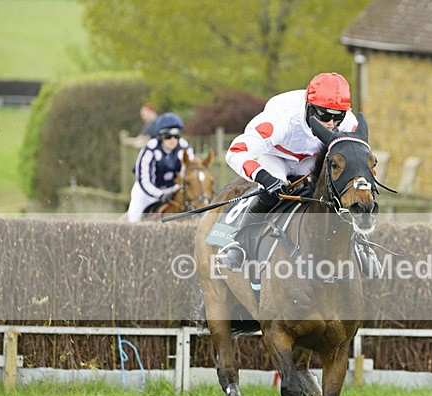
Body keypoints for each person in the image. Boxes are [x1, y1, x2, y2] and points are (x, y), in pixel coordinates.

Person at [219, 72, 359, 267]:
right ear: (309, 107)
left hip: (310, 159)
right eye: (324, 115)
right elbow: (235, 151)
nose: (331, 123)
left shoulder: (349, 123)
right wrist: (265, 178)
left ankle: (359, 246)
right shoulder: (282, 119)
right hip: (274, 156)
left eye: (338, 117)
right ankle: (236, 242)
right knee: (274, 189)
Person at [126, 112, 195, 222]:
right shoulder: (150, 150)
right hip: (146, 194)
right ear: (160, 136)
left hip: (172, 190)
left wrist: (176, 190)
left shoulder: (185, 148)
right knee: (133, 219)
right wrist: (161, 194)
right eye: (168, 136)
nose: (172, 140)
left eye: (176, 135)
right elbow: (144, 180)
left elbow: (188, 173)